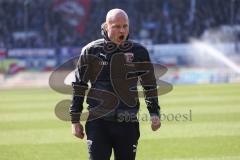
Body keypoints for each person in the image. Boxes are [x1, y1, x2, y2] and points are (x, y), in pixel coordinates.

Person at [70, 8, 161, 160]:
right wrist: (74, 120)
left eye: (125, 26)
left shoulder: (139, 52)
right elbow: (79, 86)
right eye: (116, 26)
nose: (122, 30)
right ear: (106, 26)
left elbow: (149, 85)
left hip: (128, 123)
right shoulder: (91, 51)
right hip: (98, 123)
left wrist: (154, 113)